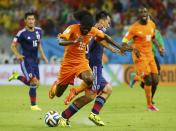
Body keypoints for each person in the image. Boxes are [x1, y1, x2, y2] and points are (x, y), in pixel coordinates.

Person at [48, 10, 122, 126]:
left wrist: (119, 46)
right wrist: (74, 41)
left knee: (90, 80)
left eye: (88, 28)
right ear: (80, 25)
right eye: (84, 28)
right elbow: (61, 41)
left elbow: (105, 37)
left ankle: (76, 100)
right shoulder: (72, 28)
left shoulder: (92, 30)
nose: (86, 30)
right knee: (58, 93)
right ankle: (54, 88)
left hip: (81, 62)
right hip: (67, 65)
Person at [121, 7, 164, 111]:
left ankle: (136, 77)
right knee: (148, 80)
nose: (143, 13)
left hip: (150, 56)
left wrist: (159, 48)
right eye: (141, 12)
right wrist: (133, 48)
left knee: (155, 80)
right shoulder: (133, 28)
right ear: (138, 15)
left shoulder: (151, 24)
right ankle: (150, 105)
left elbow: (153, 37)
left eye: (145, 12)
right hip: (140, 56)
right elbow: (123, 43)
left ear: (147, 13)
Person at [8, 12, 48, 111]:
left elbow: (39, 45)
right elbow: (12, 46)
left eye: (32, 19)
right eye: (29, 19)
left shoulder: (39, 31)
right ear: (25, 21)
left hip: (35, 61)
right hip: (25, 61)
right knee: (33, 82)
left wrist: (44, 57)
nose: (31, 21)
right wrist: (17, 55)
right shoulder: (21, 33)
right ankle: (33, 105)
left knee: (36, 83)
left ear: (35, 20)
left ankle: (16, 76)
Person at [129, 26, 165, 104]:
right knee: (146, 82)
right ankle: (136, 77)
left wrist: (161, 49)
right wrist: (134, 49)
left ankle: (150, 99)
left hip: (152, 57)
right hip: (142, 57)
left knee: (155, 80)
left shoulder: (157, 32)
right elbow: (129, 43)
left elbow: (160, 43)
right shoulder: (138, 31)